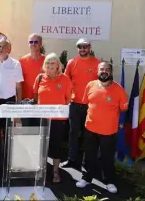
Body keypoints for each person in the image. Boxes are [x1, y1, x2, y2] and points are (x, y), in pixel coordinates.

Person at [75, 61, 128, 193]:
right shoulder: (90, 85)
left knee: (107, 157)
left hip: (109, 131)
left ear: (111, 72)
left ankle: (109, 181)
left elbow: (123, 109)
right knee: (88, 156)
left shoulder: (119, 89)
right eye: (101, 69)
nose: (104, 71)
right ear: (97, 71)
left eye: (107, 69)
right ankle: (86, 178)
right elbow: (86, 103)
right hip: (90, 129)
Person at [0, 37, 23, 175]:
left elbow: (19, 87)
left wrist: (18, 109)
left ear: (9, 49)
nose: (0, 49)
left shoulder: (15, 64)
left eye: (3, 47)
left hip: (10, 102)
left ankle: (9, 165)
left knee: (9, 135)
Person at [33, 53, 72, 183]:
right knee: (41, 145)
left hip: (58, 120)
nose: (50, 65)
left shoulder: (65, 79)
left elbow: (68, 99)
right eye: (48, 63)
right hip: (42, 118)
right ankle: (40, 169)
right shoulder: (39, 78)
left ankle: (55, 171)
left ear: (58, 66)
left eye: (53, 63)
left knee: (56, 146)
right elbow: (35, 96)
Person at [62, 37, 100, 170]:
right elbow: (65, 82)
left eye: (85, 46)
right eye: (80, 47)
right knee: (73, 132)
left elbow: (101, 85)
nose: (83, 49)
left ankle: (87, 163)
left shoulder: (97, 63)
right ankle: (72, 159)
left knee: (89, 135)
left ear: (90, 48)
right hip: (74, 104)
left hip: (90, 106)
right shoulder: (72, 63)